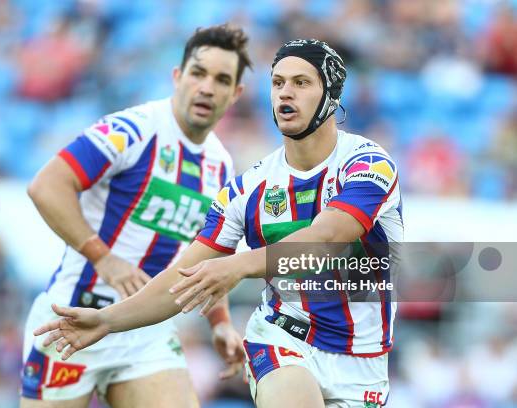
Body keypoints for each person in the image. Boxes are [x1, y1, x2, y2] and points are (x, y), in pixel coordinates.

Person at [34, 39, 404, 408]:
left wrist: (236, 266)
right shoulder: (246, 189)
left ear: (331, 95)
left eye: (301, 83)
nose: (285, 93)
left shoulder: (368, 164)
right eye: (277, 83)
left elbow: (328, 237)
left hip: (366, 361)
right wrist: (106, 321)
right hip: (284, 340)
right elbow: (185, 277)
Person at [21, 24, 252, 408]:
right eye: (198, 73)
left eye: (222, 79)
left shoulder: (221, 166)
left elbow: (210, 257)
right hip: (74, 316)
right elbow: (46, 186)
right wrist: (104, 258)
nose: (207, 87)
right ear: (178, 77)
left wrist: (220, 322)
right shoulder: (131, 129)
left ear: (235, 94)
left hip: (146, 329)